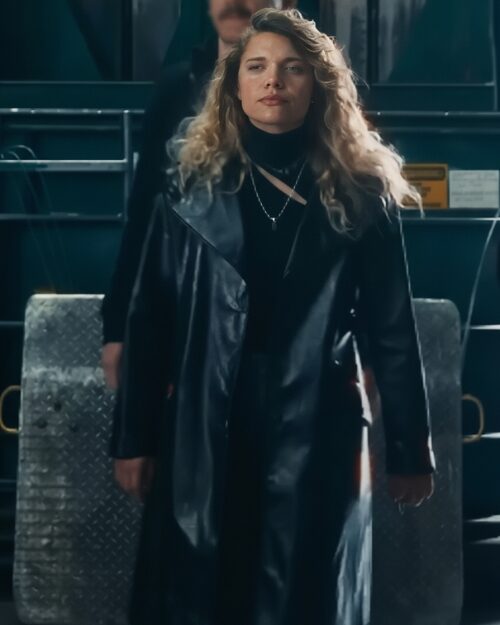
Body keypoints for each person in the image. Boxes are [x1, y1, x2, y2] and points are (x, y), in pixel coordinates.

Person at [110, 9, 435, 625]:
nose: (273, 81)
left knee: (304, 593)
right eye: (256, 67)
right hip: (206, 421)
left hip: (318, 420)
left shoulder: (361, 193)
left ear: (318, 85)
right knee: (206, 589)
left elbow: (393, 329)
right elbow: (148, 320)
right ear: (234, 85)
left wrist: (410, 450)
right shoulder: (188, 190)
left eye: (292, 68)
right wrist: (134, 440)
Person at [101, 0, 296, 389]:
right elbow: (144, 213)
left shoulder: (314, 92)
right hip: (188, 331)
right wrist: (118, 325)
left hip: (284, 342)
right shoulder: (176, 91)